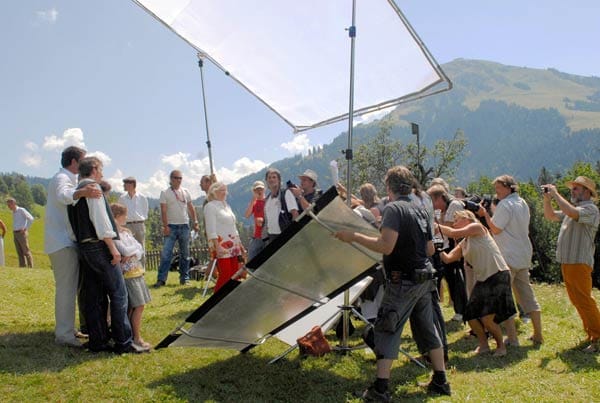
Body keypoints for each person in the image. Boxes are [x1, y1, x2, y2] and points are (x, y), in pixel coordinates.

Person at [335, 165, 451, 399]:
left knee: (387, 328)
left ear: (389, 187)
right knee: (428, 329)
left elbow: (385, 246)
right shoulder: (420, 209)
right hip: (425, 278)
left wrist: (354, 237)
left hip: (403, 280)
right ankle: (441, 380)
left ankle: (380, 389)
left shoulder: (393, 209)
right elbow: (429, 248)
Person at [67, 156, 143, 354]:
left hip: (83, 247)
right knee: (119, 294)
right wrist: (113, 248)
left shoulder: (75, 193)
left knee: (94, 295)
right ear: (93, 169)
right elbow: (101, 222)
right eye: (100, 169)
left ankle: (98, 341)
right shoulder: (93, 189)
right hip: (98, 245)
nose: (102, 174)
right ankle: (124, 342)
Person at [438, 210, 517, 357]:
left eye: (457, 220)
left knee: (487, 318)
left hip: (497, 274)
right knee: (471, 315)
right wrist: (438, 249)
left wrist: (436, 226)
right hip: (483, 279)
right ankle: (484, 345)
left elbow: (453, 232)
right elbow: (448, 258)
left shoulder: (477, 227)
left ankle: (501, 347)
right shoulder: (465, 242)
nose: (454, 223)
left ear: (467, 219)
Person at [45, 146, 101, 347]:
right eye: (83, 160)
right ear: (74, 162)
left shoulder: (66, 178)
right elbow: (63, 195)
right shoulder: (62, 178)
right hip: (61, 242)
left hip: (63, 241)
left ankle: (69, 329)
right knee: (66, 289)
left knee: (70, 288)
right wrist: (83, 191)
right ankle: (64, 335)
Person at [478, 175, 543, 346]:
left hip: (507, 255)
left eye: (499, 188)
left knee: (504, 298)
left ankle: (513, 339)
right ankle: (538, 334)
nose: (496, 192)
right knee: (526, 295)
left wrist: (485, 215)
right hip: (523, 253)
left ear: (508, 188)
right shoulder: (522, 202)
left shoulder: (505, 205)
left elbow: (496, 229)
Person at [543, 176, 600, 353]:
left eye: (576, 189)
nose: (572, 191)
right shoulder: (574, 208)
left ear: (586, 192)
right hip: (568, 261)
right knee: (577, 300)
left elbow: (571, 213)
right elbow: (551, 216)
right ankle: (591, 333)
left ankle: (598, 336)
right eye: (573, 188)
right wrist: (547, 199)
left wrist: (555, 194)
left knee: (584, 300)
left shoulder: (590, 209)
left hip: (578, 261)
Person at [110, 203, 152, 350]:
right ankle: (136, 337)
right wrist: (132, 252)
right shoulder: (114, 235)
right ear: (116, 217)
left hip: (136, 271)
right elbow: (125, 251)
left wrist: (133, 252)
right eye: (124, 215)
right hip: (128, 275)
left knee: (136, 305)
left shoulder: (126, 232)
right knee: (137, 305)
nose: (126, 218)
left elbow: (139, 249)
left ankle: (131, 334)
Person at [427, 183, 468, 322]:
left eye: (432, 201)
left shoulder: (454, 205)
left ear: (439, 198)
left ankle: (462, 311)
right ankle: (459, 309)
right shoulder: (446, 207)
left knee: (457, 280)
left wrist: (435, 225)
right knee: (451, 279)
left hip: (455, 247)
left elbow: (451, 228)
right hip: (447, 246)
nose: (432, 205)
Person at [154, 170, 199, 287]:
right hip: (171, 226)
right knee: (166, 254)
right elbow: (163, 211)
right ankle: (161, 279)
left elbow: (191, 207)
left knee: (185, 254)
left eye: (180, 178)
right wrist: (165, 226)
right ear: (171, 179)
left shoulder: (185, 191)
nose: (178, 180)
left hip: (185, 226)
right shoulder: (165, 193)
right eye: (176, 178)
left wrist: (195, 221)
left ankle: (184, 278)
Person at [204, 182, 245, 293]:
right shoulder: (210, 206)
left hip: (233, 243)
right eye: (222, 190)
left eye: (226, 190)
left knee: (234, 273)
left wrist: (239, 243)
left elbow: (233, 226)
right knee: (225, 274)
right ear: (214, 191)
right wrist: (217, 247)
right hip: (221, 244)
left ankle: (230, 297)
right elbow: (210, 229)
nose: (225, 192)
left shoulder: (226, 205)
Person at [264, 168, 299, 243]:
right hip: (271, 236)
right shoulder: (267, 199)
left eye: (274, 177)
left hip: (285, 235)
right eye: (269, 178)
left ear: (279, 180)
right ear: (266, 181)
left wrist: (291, 232)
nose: (271, 179)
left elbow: (295, 214)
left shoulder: (286, 193)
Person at [118, 176, 149, 248]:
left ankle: (142, 260)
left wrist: (140, 220)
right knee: (128, 248)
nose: (123, 186)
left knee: (141, 248)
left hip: (139, 225)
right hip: (126, 226)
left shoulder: (142, 198)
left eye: (125, 184)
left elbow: (145, 211)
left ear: (131, 185)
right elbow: (120, 212)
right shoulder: (122, 198)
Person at [6, 197, 34, 268]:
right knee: (19, 251)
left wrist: (25, 228)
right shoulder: (13, 212)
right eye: (8, 205)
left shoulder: (21, 210)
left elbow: (31, 218)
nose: (8, 207)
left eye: (9, 205)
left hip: (21, 233)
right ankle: (22, 266)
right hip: (15, 233)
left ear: (14, 203)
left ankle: (30, 267)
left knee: (26, 251)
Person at [244, 180, 266, 261]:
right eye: (257, 189)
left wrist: (262, 221)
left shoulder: (268, 200)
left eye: (261, 189)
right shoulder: (254, 203)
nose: (259, 191)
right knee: (251, 259)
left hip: (267, 235)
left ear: (264, 189)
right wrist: (253, 201)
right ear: (254, 191)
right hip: (257, 236)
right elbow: (246, 215)